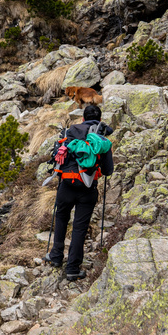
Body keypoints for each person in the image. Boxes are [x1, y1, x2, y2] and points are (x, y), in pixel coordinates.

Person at [45, 104, 114, 280]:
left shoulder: (70, 133)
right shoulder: (100, 139)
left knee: (61, 218)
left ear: (82, 118)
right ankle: (73, 269)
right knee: (79, 228)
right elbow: (108, 171)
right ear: (99, 119)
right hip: (87, 188)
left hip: (66, 185)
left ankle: (55, 257)